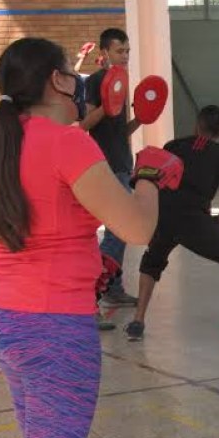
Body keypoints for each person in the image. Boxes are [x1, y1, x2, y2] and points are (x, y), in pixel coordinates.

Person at [0, 37, 165, 438]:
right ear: (60, 81)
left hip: (6, 323)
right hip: (54, 332)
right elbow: (137, 226)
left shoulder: (0, 151)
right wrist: (149, 178)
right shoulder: (68, 144)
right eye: (71, 72)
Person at [123, 105, 219, 349]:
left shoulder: (173, 146)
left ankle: (137, 322)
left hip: (163, 218)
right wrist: (211, 227)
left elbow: (154, 185)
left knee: (152, 262)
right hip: (194, 222)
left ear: (196, 125)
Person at [81, 28, 141, 321]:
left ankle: (112, 286)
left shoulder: (122, 82)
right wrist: (107, 106)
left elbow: (121, 132)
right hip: (104, 166)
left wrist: (141, 118)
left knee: (121, 233)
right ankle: (94, 288)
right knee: (118, 231)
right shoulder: (95, 81)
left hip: (122, 164)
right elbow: (86, 123)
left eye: (127, 51)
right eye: (120, 51)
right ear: (104, 53)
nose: (125, 56)